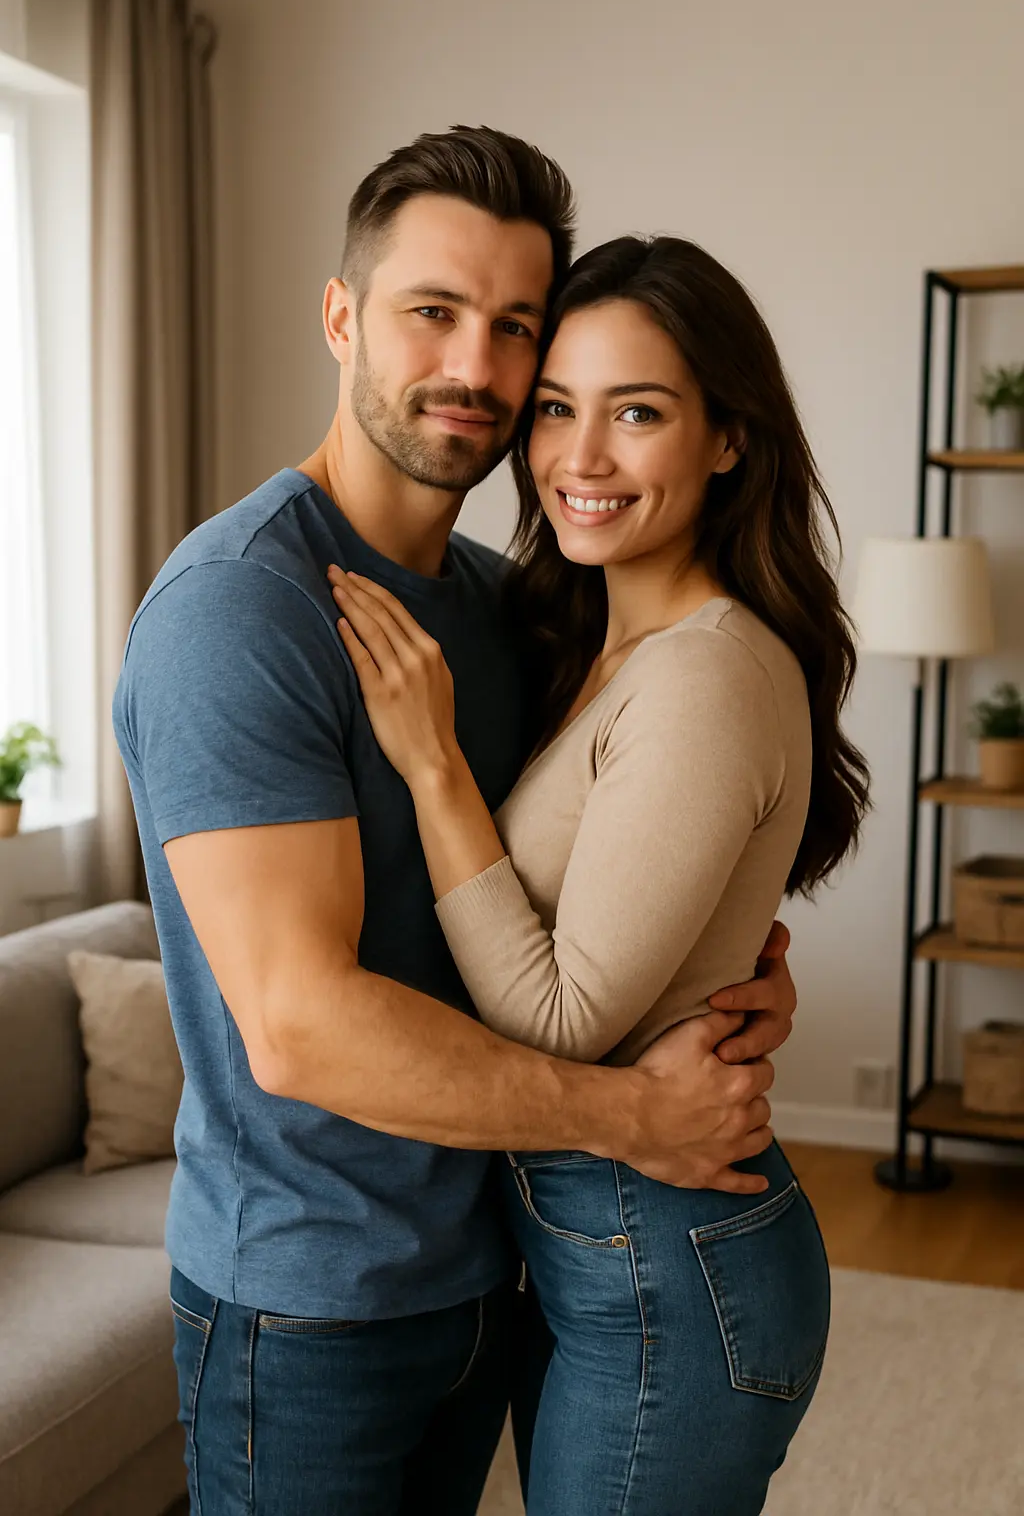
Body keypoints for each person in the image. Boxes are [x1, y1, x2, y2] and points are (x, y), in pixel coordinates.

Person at [113, 127, 801, 1516]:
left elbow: (581, 887)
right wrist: (634, 1118)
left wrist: (731, 985)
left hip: (499, 1265)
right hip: (310, 1304)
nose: (478, 372)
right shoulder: (242, 611)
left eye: (514, 330)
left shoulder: (509, 609)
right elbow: (299, 1026)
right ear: (341, 315)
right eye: (434, 312)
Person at [328, 232, 870, 1514]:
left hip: (671, 1265)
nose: (578, 458)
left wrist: (434, 769)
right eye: (557, 409)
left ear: (727, 437)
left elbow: (568, 1019)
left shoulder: (705, 673)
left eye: (637, 413)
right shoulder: (596, 639)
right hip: (594, 1244)